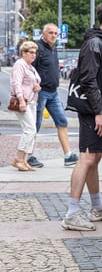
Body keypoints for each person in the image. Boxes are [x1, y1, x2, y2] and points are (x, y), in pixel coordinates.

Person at [61, 3, 102, 231]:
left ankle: (97, 207)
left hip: (100, 111)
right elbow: (88, 80)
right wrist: (99, 112)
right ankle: (72, 213)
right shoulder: (94, 44)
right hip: (92, 111)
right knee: (86, 159)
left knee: (94, 159)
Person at [30, 23, 78, 168]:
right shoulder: (37, 49)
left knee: (62, 121)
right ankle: (28, 155)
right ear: (43, 34)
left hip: (53, 92)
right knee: (35, 124)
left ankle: (68, 155)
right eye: (50, 33)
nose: (53, 36)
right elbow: (30, 68)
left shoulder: (53, 48)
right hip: (41, 92)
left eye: (56, 33)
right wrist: (34, 84)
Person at [10, 41, 41, 172]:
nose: (34, 55)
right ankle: (18, 158)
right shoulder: (20, 65)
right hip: (24, 101)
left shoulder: (30, 67)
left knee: (31, 131)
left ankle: (24, 160)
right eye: (31, 52)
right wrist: (22, 100)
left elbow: (34, 83)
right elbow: (16, 83)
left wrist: (38, 87)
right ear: (23, 53)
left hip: (32, 101)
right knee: (30, 130)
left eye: (35, 52)